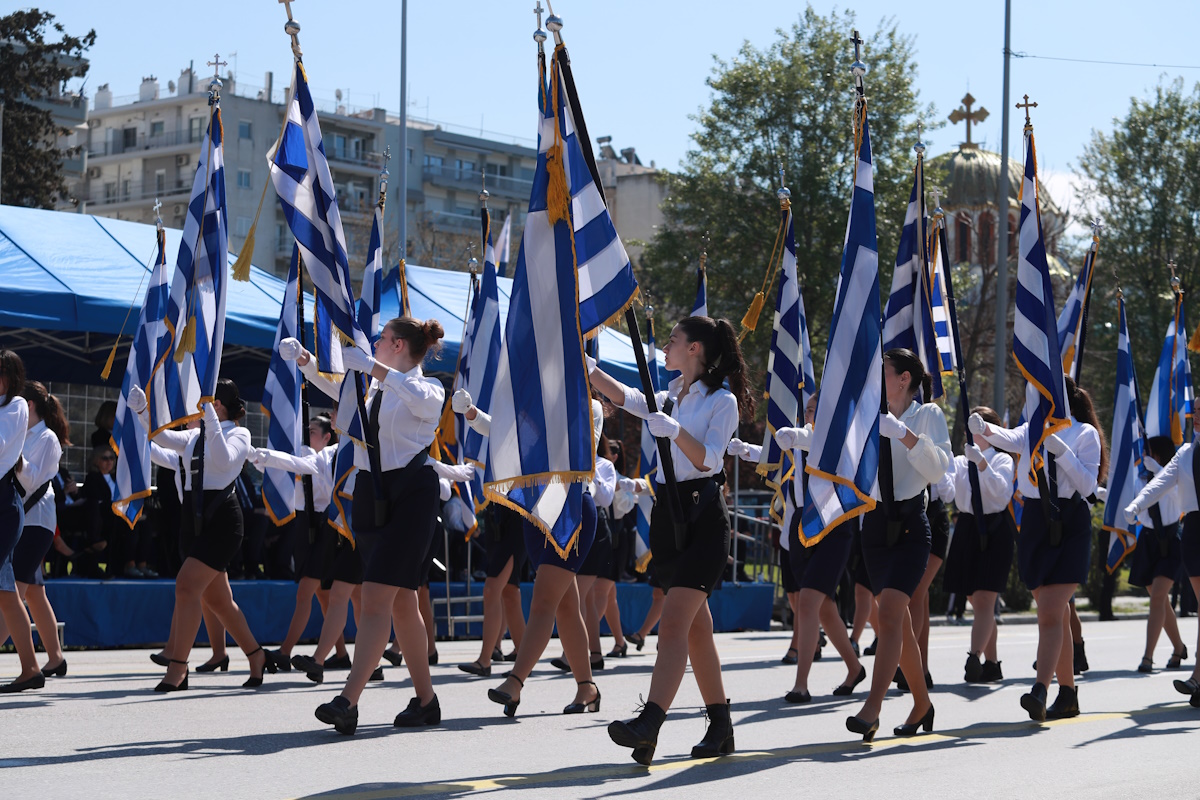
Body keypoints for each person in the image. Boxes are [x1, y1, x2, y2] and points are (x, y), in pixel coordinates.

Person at [590, 315, 749, 765]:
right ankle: (720, 725)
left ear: (695, 348)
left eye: (675, 340)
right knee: (698, 632)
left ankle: (651, 722)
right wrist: (589, 369)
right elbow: (629, 398)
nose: (667, 346)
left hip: (702, 518)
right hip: (668, 516)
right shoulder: (670, 395)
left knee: (675, 625)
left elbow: (711, 459)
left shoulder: (721, 401)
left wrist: (676, 432)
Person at [279, 317, 447, 734]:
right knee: (403, 604)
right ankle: (426, 701)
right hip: (375, 492)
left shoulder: (429, 388)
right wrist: (305, 362)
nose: (375, 342)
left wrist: (373, 369)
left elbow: (419, 400)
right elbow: (342, 391)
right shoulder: (375, 388)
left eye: (383, 339)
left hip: (411, 493)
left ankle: (348, 700)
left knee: (375, 597)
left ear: (399, 346)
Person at [454, 387, 604, 719]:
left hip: (570, 508)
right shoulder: (540, 402)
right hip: (536, 511)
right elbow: (508, 433)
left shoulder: (589, 406)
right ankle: (587, 687)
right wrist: (473, 415)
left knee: (544, 601)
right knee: (565, 606)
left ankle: (515, 681)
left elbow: (570, 448)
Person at [971, 375, 1105, 720]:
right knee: (1054, 614)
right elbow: (1005, 437)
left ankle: (1040, 688)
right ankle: (1069, 693)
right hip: (1034, 523)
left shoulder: (1084, 433)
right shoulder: (1031, 430)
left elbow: (1089, 486)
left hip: (1069, 521)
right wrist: (982, 428)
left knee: (1049, 612)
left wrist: (1063, 452)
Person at [128, 378, 273, 692]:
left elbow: (223, 460)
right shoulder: (196, 435)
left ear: (216, 404)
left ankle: (178, 667)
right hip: (192, 520)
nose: (194, 409)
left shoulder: (239, 433)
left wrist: (208, 417)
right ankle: (256, 655)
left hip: (222, 521)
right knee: (219, 601)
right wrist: (142, 414)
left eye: (203, 402)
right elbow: (162, 442)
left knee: (186, 587)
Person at [730, 390, 866, 704]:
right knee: (825, 609)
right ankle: (854, 668)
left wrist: (801, 436)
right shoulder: (802, 445)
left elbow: (815, 444)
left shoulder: (839, 442)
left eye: (816, 410)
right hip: (800, 528)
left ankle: (801, 684)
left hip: (831, 526)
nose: (809, 415)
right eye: (807, 409)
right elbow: (776, 460)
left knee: (807, 603)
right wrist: (745, 450)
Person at [846, 349, 951, 742]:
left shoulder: (928, 416)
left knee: (889, 613)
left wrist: (905, 435)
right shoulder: (867, 413)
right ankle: (922, 703)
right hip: (874, 525)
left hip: (910, 524)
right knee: (897, 622)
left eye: (883, 372)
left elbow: (940, 469)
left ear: (903, 379)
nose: (876, 379)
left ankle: (872, 707)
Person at [1125, 409, 1200, 705]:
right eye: (1197, 411)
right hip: (1194, 529)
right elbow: (1160, 483)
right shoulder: (1184, 454)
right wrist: (1137, 504)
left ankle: (1196, 677)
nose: (1199, 416)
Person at [940, 406, 1016, 683]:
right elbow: (948, 492)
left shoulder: (1002, 460)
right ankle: (992, 663)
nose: (970, 435)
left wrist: (982, 464)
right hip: (968, 527)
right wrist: (938, 465)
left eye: (978, 428)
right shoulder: (960, 462)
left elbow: (1001, 492)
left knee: (985, 598)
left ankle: (973, 656)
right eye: (968, 429)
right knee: (975, 599)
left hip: (996, 527)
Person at [0, 382, 70, 677]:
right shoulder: (24, 433)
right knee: (34, 594)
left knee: (10, 592)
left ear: (28, 405)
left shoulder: (47, 437)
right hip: (24, 523)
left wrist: (14, 458)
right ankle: (55, 658)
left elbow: (34, 480)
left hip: (35, 522)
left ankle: (33, 667)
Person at [1124, 436, 1189, 674]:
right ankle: (1179, 647)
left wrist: (1160, 471)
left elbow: (1175, 497)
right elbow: (1133, 501)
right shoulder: (1141, 478)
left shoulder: (1175, 475)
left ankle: (1148, 657)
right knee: (1159, 600)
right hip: (1149, 540)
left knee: (1158, 597)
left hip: (1171, 539)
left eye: (1149, 451)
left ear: (1159, 454)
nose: (1146, 455)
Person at [0, 350, 41, 693]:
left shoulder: (16, 406)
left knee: (5, 590)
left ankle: (31, 667)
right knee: (7, 591)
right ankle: (30, 667)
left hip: (3, 505)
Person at [458, 503, 528, 676]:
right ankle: (524, 659)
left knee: (492, 589)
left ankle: (484, 660)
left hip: (516, 514)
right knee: (509, 593)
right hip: (494, 516)